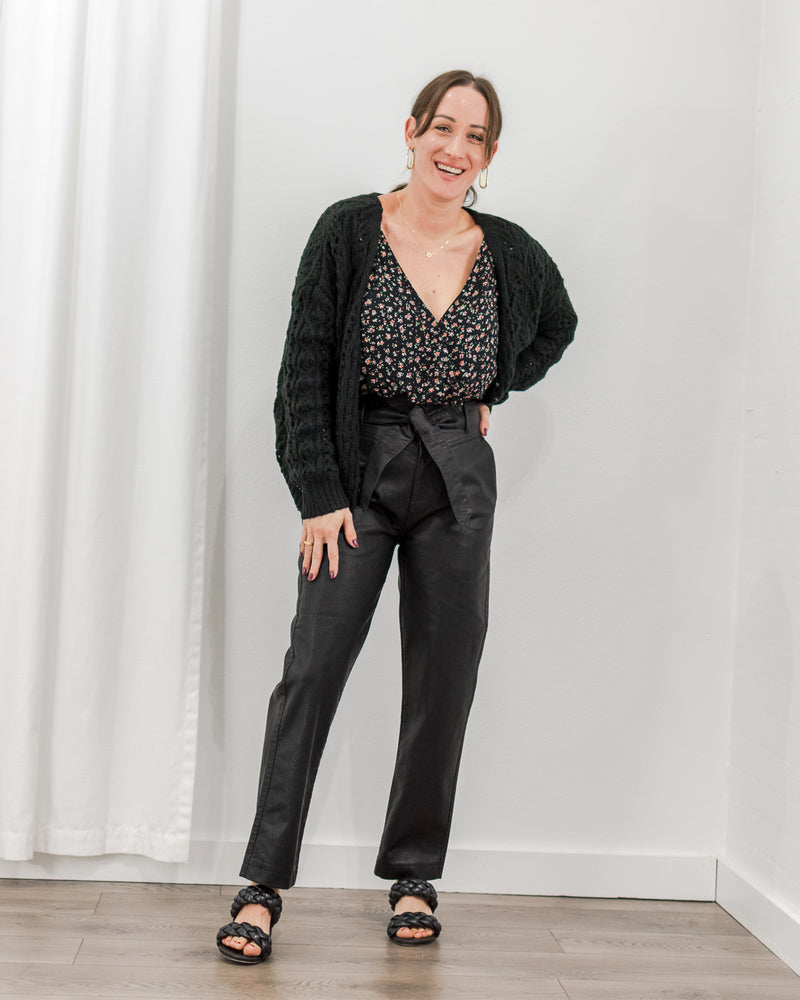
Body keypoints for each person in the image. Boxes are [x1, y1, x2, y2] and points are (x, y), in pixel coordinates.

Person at [216, 69, 577, 963]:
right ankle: (261, 884)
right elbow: (303, 367)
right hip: (359, 471)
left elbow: (557, 325)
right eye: (442, 128)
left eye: (475, 137)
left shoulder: (507, 251)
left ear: (489, 156)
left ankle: (414, 875)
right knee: (312, 672)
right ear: (411, 132)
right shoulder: (349, 231)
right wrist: (318, 494)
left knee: (443, 679)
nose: (455, 148)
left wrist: (493, 387)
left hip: (458, 477)